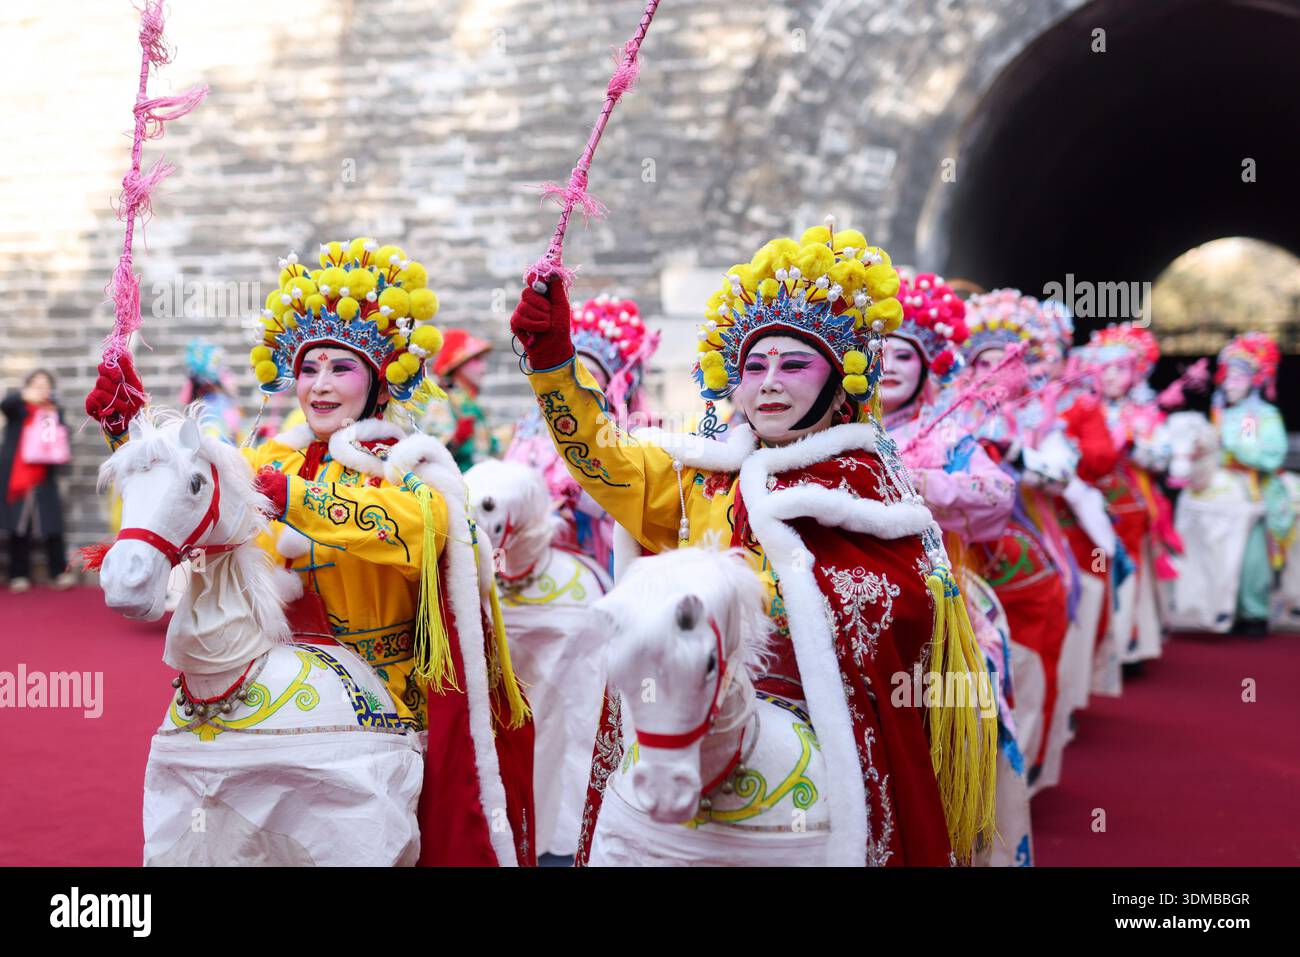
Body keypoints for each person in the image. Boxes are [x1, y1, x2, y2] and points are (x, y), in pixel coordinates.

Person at [511, 222, 996, 866]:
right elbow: (601, 457)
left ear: (840, 382)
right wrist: (552, 363)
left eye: (794, 364)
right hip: (687, 715)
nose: (768, 382)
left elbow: (903, 620)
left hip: (825, 735)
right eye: (754, 365)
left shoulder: (872, 497)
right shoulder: (700, 480)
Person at [85, 238, 535, 866]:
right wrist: (127, 430)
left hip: (386, 700)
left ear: (377, 380)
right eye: (308, 368)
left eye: (340, 368)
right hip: (272, 693)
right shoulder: (269, 461)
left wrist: (295, 497)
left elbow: (425, 527)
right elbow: (196, 495)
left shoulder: (411, 467)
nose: (319, 386)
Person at [505, 294, 660, 573]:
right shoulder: (531, 428)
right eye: (573, 372)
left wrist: (577, 496)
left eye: (588, 374)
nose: (578, 381)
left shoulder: (635, 432)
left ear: (609, 383)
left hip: (597, 555)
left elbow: (630, 498)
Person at [1213, 332, 1292, 634]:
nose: (1230, 381)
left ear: (1255, 379)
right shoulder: (1222, 412)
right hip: (1222, 495)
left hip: (1251, 495)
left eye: (1238, 375)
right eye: (1227, 374)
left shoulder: (1253, 416)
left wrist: (1227, 442)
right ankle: (1225, 607)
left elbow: (1257, 454)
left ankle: (1254, 611)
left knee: (1251, 557)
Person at [2, 370, 74, 592]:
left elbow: (58, 441)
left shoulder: (53, 411)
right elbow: (5, 403)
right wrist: (25, 396)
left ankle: (58, 572)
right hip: (18, 476)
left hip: (44, 475)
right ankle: (18, 574)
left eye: (46, 384)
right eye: (36, 383)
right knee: (18, 528)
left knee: (52, 526)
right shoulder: (18, 408)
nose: (41, 387)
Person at [423, 328, 498, 471]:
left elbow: (488, 449)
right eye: (477, 360)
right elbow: (429, 456)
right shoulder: (441, 402)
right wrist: (457, 439)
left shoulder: (470, 404)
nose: (484, 368)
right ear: (458, 364)